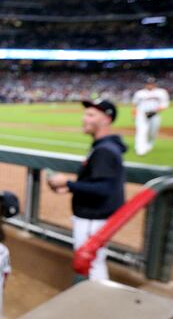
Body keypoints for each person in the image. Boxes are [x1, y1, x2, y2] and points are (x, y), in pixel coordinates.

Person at [47, 99, 126, 281]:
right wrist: (70, 187)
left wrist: (67, 183)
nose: (84, 119)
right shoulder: (104, 147)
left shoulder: (105, 150)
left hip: (93, 218)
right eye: (85, 114)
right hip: (95, 216)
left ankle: (98, 307)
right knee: (94, 263)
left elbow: (103, 189)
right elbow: (98, 183)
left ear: (106, 119)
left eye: (91, 115)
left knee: (91, 265)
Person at [132, 77, 170, 156]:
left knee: (153, 132)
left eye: (152, 83)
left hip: (155, 114)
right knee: (141, 131)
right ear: (145, 84)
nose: (150, 85)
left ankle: (149, 144)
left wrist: (155, 111)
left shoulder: (161, 92)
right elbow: (134, 104)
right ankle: (140, 148)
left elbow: (165, 104)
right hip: (142, 114)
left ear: (155, 84)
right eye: (148, 83)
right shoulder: (140, 93)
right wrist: (134, 114)